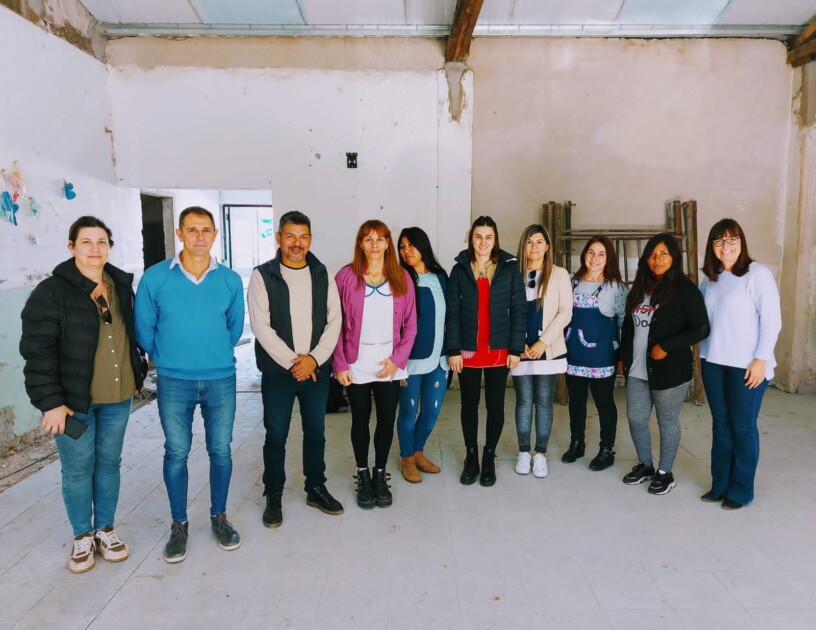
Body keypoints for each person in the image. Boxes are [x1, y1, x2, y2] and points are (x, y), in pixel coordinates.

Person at [20, 216, 146, 574]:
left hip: (117, 395)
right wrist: (51, 403)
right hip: (73, 402)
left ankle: (105, 529)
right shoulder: (51, 292)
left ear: (109, 247)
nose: (95, 249)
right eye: (86, 242)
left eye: (102, 242)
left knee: (109, 464)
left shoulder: (120, 285)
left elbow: (127, 335)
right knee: (77, 469)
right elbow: (37, 352)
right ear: (71, 246)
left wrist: (137, 373)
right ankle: (82, 535)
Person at [135, 206, 244, 562]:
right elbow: (144, 330)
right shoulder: (155, 278)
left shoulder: (229, 280)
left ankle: (219, 517)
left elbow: (234, 329)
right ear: (179, 233)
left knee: (221, 450)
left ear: (215, 235)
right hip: (173, 380)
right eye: (192, 229)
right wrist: (170, 357)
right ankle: (178, 524)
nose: (200, 236)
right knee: (176, 452)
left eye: (206, 230)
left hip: (220, 378)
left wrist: (211, 353)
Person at [248, 211, 343, 527]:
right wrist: (295, 363)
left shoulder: (322, 273)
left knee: (316, 432)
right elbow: (260, 327)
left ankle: (315, 487)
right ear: (278, 238)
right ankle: (273, 494)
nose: (297, 243)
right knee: (276, 434)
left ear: (310, 240)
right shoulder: (262, 275)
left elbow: (335, 321)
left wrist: (313, 360)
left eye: (303, 237)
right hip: (278, 373)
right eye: (290, 236)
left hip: (315, 371)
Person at [699, 218, 781, 510]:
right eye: (719, 241)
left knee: (743, 426)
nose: (726, 246)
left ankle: (741, 490)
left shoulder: (758, 275)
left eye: (732, 239)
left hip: (747, 365)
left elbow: (772, 321)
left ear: (741, 242)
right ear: (712, 246)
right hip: (713, 362)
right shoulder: (711, 278)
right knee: (721, 424)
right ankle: (720, 484)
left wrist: (761, 359)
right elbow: (699, 319)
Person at [333, 220, 416, 509]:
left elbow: (411, 325)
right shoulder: (345, 276)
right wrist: (340, 364)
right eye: (368, 239)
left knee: (386, 419)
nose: (374, 245)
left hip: (389, 363)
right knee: (360, 418)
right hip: (355, 362)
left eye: (380, 239)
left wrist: (398, 361)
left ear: (388, 243)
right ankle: (362, 473)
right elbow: (334, 323)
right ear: (360, 243)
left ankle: (380, 473)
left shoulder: (402, 278)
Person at [620, 233, 709, 495]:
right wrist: (622, 357)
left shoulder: (685, 290)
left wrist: (667, 346)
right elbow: (628, 326)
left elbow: (701, 328)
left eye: (663, 254)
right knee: (636, 419)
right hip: (637, 369)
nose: (657, 259)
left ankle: (665, 473)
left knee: (667, 421)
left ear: (674, 258)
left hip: (670, 370)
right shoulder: (639, 288)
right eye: (652, 254)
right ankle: (645, 465)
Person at [446, 216, 526, 487]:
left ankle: (489, 455)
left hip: (499, 349)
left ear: (495, 240)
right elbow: (453, 312)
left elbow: (519, 310)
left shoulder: (509, 268)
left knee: (496, 404)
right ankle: (471, 457)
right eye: (478, 237)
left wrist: (515, 348)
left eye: (488, 237)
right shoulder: (459, 269)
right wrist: (454, 349)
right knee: (468, 404)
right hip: (468, 350)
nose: (483, 242)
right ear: (471, 239)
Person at [510, 225, 572, 478]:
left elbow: (565, 312)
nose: (534, 247)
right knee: (524, 400)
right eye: (529, 242)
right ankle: (524, 452)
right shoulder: (513, 273)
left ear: (547, 246)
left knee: (544, 401)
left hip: (548, 348)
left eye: (539, 241)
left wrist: (542, 343)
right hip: (519, 349)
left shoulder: (559, 274)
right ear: (523, 246)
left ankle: (540, 455)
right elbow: (505, 311)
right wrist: (517, 344)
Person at [563, 236, 628, 471]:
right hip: (574, 353)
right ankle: (577, 443)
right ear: (584, 255)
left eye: (601, 254)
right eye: (591, 252)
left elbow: (624, 323)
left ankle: (606, 449)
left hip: (602, 355)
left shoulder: (616, 288)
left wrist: (622, 357)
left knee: (604, 402)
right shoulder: (572, 282)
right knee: (576, 401)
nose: (595, 258)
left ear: (608, 258)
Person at [395, 227, 448, 483]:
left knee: (431, 411)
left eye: (411, 245)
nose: (406, 251)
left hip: (439, 359)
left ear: (423, 245)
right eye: (402, 246)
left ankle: (418, 451)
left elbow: (451, 315)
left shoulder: (441, 277)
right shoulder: (399, 279)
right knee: (408, 410)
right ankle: (407, 457)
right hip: (410, 360)